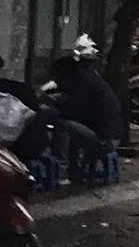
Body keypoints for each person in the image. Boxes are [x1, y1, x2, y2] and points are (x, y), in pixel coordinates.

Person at [50, 41, 125, 180]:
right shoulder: (91, 80)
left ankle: (61, 169)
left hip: (105, 138)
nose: (57, 81)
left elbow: (73, 111)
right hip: (109, 134)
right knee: (73, 130)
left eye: (58, 77)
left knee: (63, 126)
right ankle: (74, 170)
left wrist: (55, 105)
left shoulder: (83, 85)